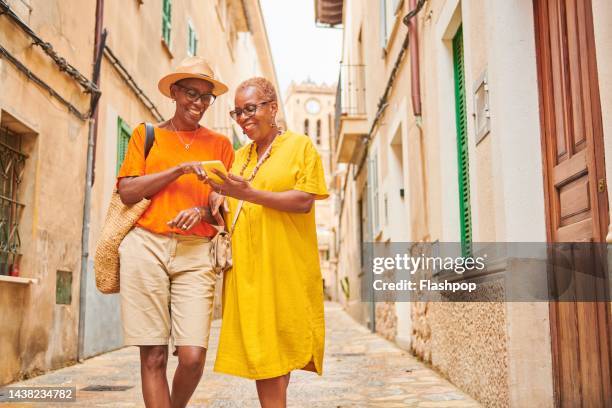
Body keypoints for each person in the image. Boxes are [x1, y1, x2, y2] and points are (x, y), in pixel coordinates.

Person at [116, 57, 234, 408]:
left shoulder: (221, 146)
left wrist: (202, 209)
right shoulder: (146, 135)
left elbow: (225, 203)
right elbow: (128, 191)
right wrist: (179, 169)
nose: (198, 103)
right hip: (146, 247)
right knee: (153, 357)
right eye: (191, 94)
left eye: (206, 97)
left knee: (192, 357)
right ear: (175, 92)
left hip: (197, 250)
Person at [207, 77, 328, 408]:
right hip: (247, 271)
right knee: (267, 358)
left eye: (250, 109)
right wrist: (217, 201)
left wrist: (248, 194)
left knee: (278, 356)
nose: (244, 118)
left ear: (272, 108)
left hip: (286, 267)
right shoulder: (238, 156)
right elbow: (231, 205)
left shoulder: (300, 146)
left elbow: (304, 200)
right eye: (237, 112)